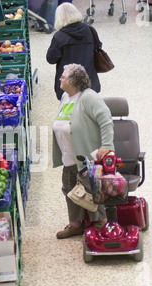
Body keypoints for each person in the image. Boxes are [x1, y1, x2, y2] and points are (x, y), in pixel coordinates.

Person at [52, 64, 114, 239]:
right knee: (70, 190)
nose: (60, 79)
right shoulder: (65, 96)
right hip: (68, 156)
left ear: (73, 81)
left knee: (92, 192)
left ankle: (101, 224)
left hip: (87, 157)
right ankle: (75, 225)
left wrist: (107, 145)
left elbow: (106, 120)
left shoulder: (89, 97)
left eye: (63, 77)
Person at [46, 2, 101, 101]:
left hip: (68, 83)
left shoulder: (59, 36)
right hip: (89, 79)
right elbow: (98, 46)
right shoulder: (90, 30)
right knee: (89, 109)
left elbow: (51, 59)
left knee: (69, 112)